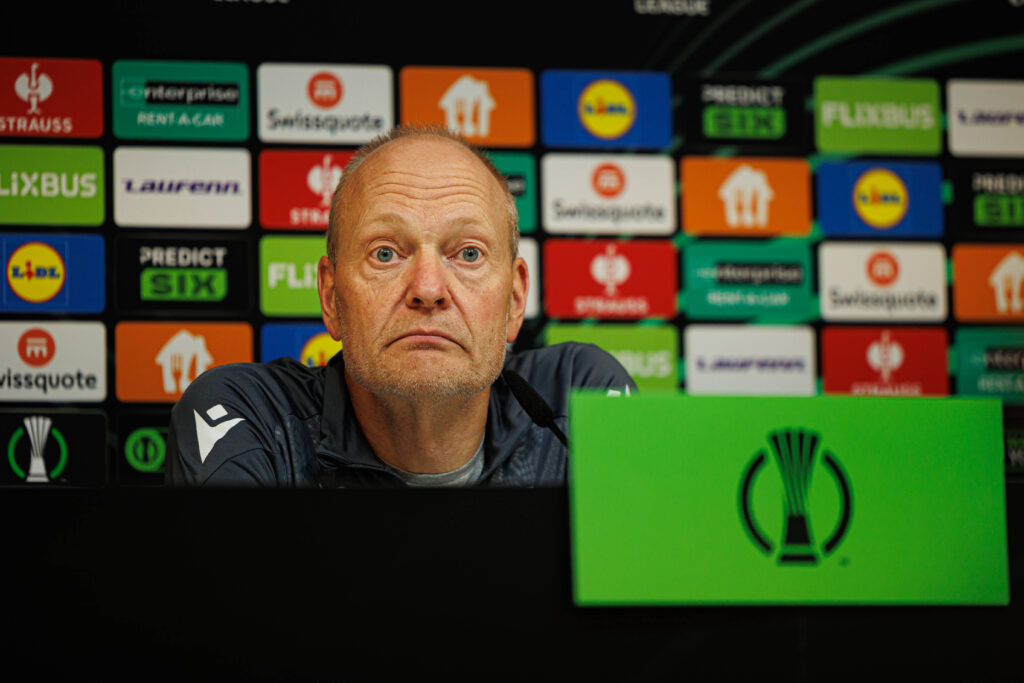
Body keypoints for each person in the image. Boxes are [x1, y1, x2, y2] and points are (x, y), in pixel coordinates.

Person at [165, 125, 636, 487]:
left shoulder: (577, 397)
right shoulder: (252, 418)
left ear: (514, 301)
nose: (428, 289)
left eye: (468, 254)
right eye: (386, 253)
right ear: (331, 297)